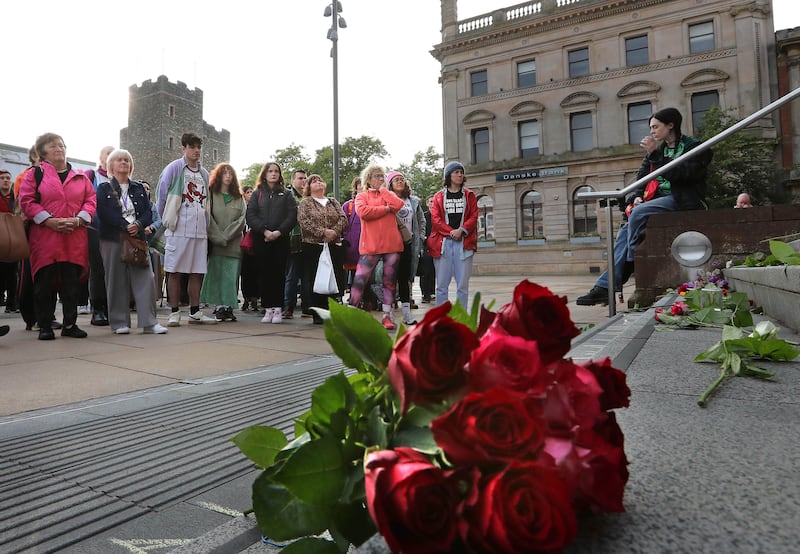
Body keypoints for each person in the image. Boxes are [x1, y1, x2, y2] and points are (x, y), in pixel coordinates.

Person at [577, 107, 714, 305]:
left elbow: (682, 175)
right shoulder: (657, 152)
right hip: (657, 201)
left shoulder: (695, 148)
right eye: (651, 127)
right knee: (626, 228)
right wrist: (636, 197)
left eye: (655, 126)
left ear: (670, 125)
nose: (652, 131)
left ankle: (630, 260)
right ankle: (604, 286)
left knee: (640, 213)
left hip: (684, 199)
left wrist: (654, 155)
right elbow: (640, 181)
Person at [19, 133, 96, 340]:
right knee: (44, 282)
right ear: (43, 152)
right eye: (53, 146)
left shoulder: (80, 176)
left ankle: (70, 324)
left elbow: (90, 200)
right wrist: (49, 220)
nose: (59, 149)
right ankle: (44, 325)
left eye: (61, 145)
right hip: (46, 238)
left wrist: (79, 219)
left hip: (74, 236)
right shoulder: (34, 174)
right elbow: (26, 201)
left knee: (71, 283)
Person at [96, 149, 167, 335]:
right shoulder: (103, 189)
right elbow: (103, 212)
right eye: (119, 160)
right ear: (111, 165)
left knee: (146, 278)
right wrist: (124, 225)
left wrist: (138, 224)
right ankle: (119, 322)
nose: (123, 163)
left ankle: (150, 322)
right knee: (116, 280)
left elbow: (147, 212)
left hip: (137, 239)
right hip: (113, 238)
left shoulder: (139, 188)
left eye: (127, 160)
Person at [156, 132, 217, 325]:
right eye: (192, 147)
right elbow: (162, 196)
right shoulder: (175, 168)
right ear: (184, 148)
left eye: (199, 147)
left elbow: (208, 200)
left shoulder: (204, 173)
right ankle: (174, 311)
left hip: (200, 231)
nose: (196, 151)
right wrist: (165, 222)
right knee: (175, 270)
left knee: (197, 271)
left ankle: (195, 310)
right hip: (178, 228)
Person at [348, 164, 405, 330]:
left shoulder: (389, 194)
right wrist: (386, 209)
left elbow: (398, 205)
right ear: (369, 179)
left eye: (382, 176)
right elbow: (364, 212)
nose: (381, 178)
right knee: (360, 279)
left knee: (389, 281)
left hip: (392, 244)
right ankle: (351, 312)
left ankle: (387, 316)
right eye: (377, 176)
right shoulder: (362, 196)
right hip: (370, 245)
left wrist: (385, 192)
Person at [245, 162, 297, 324]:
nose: (273, 174)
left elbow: (292, 216)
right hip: (262, 240)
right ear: (264, 174)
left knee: (279, 275)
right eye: (270, 171)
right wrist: (265, 231)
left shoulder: (287, 194)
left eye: (276, 171)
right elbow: (251, 215)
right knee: (265, 274)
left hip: (281, 240)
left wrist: (279, 232)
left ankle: (278, 308)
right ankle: (267, 308)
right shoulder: (257, 193)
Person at [427, 161, 479, 309]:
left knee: (462, 284)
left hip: (464, 243)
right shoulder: (438, 197)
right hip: (443, 244)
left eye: (461, 172)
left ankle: (461, 317)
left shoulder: (469, 195)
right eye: (456, 172)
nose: (460, 175)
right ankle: (441, 316)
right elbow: (436, 219)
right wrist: (450, 231)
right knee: (441, 285)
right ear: (448, 175)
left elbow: (474, 216)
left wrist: (461, 230)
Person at [297, 174, 347, 324]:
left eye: (320, 180)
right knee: (315, 279)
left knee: (334, 277)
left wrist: (333, 233)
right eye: (314, 181)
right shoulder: (306, 203)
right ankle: (318, 313)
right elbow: (303, 221)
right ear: (308, 187)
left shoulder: (333, 201)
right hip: (313, 246)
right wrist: (323, 232)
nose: (318, 183)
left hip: (333, 246)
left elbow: (343, 218)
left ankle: (332, 310)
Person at [200, 163, 247, 320]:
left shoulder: (239, 198)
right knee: (216, 275)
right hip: (215, 244)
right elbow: (208, 217)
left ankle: (229, 307)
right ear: (218, 176)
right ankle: (219, 306)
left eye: (230, 173)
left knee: (231, 275)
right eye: (224, 173)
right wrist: (218, 237)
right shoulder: (211, 194)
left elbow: (241, 220)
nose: (228, 176)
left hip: (233, 245)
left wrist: (226, 236)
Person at [386, 170, 426, 325]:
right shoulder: (386, 200)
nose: (400, 181)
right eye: (396, 179)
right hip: (391, 245)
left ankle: (407, 315)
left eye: (402, 179)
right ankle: (388, 314)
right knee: (389, 280)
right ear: (390, 184)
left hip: (408, 244)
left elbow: (421, 221)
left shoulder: (413, 201)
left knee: (405, 280)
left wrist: (421, 237)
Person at [81, 145, 114, 326]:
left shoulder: (122, 179)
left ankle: (112, 308)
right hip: (95, 229)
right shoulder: (91, 176)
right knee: (98, 269)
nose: (112, 157)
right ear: (101, 158)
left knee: (114, 271)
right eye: (108, 153)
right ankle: (98, 309)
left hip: (115, 231)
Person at [283, 169, 308, 319]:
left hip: (309, 241)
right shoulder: (288, 196)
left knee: (307, 276)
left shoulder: (309, 196)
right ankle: (288, 306)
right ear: (293, 180)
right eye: (300, 178)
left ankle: (307, 307)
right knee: (292, 275)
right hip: (292, 240)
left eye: (305, 178)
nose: (303, 181)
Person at [0, 168, 19, 312]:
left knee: (13, 272)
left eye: (8, 177)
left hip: (13, 239)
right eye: (2, 178)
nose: (5, 180)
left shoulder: (16, 198)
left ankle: (12, 304)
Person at [239, 185, 259, 312]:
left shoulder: (257, 208)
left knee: (255, 271)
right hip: (244, 243)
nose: (251, 194)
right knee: (245, 272)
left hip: (255, 242)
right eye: (248, 192)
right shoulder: (242, 208)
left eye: (252, 192)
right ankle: (246, 298)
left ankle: (255, 298)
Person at [341, 177, 363, 297]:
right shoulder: (348, 205)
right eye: (360, 185)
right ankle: (354, 297)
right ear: (355, 187)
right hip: (353, 245)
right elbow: (342, 224)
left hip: (368, 244)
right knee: (354, 272)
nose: (362, 187)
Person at [419, 196, 436, 303]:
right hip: (426, 246)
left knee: (434, 270)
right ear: (427, 203)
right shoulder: (424, 216)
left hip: (437, 247)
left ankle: (432, 291)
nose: (433, 203)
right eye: (431, 201)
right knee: (425, 271)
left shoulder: (439, 216)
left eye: (434, 201)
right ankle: (425, 294)